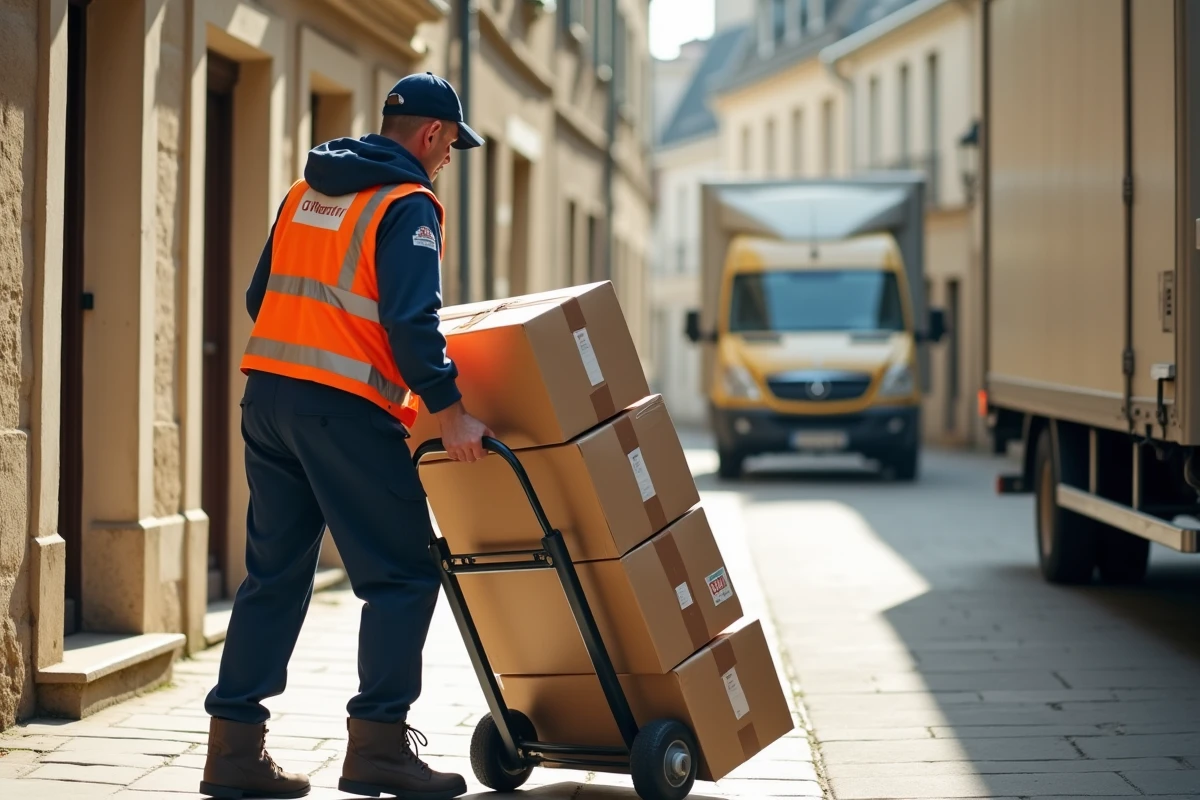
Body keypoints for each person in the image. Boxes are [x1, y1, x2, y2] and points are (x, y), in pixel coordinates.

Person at [200, 73, 491, 800]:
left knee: (274, 576)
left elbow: (258, 296)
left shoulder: (307, 191)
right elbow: (410, 320)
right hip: (344, 410)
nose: (450, 157)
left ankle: (233, 751)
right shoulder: (409, 204)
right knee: (402, 575)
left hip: (266, 399)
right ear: (431, 134)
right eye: (452, 143)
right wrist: (450, 411)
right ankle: (378, 749)